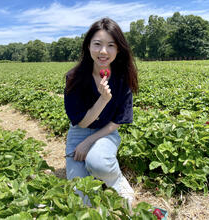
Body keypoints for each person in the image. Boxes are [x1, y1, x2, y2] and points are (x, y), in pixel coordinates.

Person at [64, 17, 138, 208]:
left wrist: (89, 143)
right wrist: (103, 100)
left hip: (107, 131)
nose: (103, 51)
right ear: (88, 46)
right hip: (79, 131)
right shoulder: (74, 78)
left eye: (111, 45)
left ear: (118, 49)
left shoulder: (123, 78)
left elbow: (118, 121)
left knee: (98, 163)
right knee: (81, 197)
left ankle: (116, 180)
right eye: (97, 44)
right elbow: (81, 123)